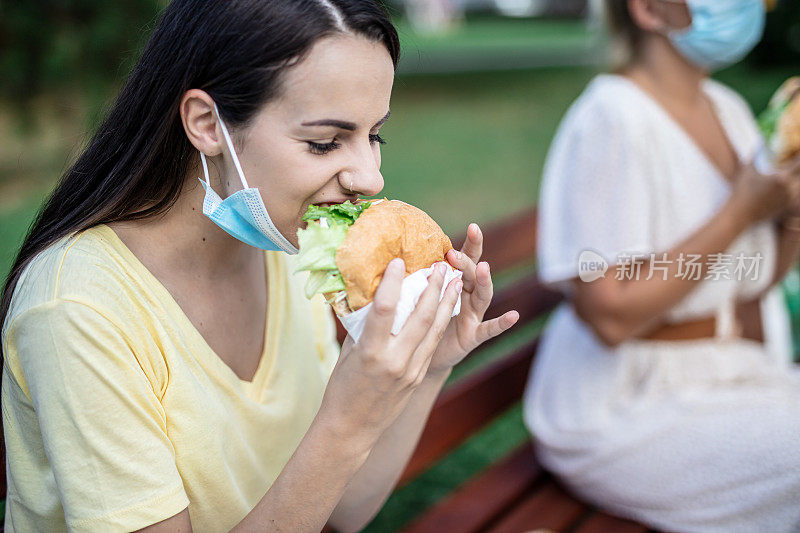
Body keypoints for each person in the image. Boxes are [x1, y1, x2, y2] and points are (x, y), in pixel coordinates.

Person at [0, 1, 519, 531]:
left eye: (374, 135)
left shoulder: (292, 255)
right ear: (205, 123)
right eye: (324, 143)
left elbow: (348, 509)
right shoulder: (78, 310)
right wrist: (343, 422)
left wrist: (428, 363)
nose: (370, 176)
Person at [523, 0, 800, 531]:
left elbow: (754, 279)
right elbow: (611, 316)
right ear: (649, 9)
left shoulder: (729, 110)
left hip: (724, 374)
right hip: (624, 405)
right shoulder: (611, 117)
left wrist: (787, 216)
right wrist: (741, 210)